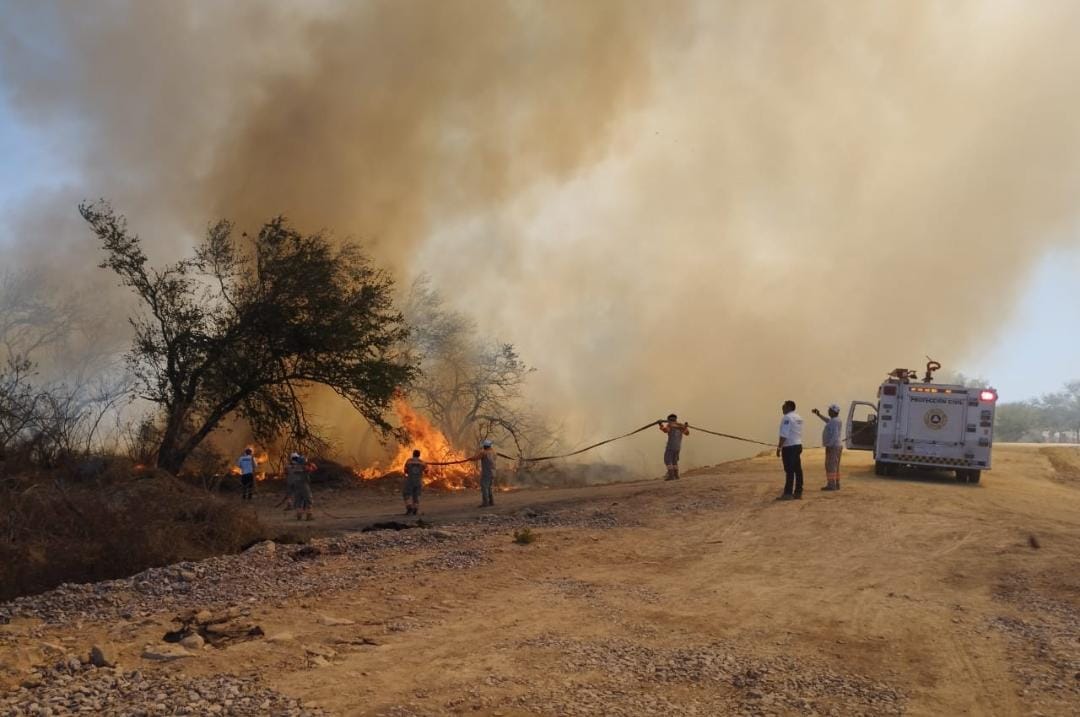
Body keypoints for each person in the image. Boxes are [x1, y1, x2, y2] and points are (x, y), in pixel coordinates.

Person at [776, 400, 804, 500]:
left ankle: (788, 493)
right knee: (798, 470)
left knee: (789, 470)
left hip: (789, 447)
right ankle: (798, 492)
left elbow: (784, 434)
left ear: (789, 407)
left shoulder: (787, 418)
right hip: (797, 445)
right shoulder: (799, 417)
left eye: (784, 406)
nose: (782, 407)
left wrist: (779, 447)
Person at [812, 404, 844, 491]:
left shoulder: (834, 421)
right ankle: (836, 484)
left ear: (834, 411)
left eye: (830, 410)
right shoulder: (835, 420)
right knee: (835, 466)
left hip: (833, 447)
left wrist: (829, 445)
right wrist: (819, 415)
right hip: (836, 446)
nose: (828, 411)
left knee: (830, 466)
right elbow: (827, 420)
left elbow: (835, 435)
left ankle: (831, 485)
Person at [286, 452, 316, 521]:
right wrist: (311, 464)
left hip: (296, 485)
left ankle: (299, 515)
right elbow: (314, 468)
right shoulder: (305, 467)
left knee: (298, 500)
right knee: (309, 499)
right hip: (304, 485)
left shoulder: (292, 467)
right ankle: (309, 515)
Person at [659, 414, 690, 481]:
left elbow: (665, 430)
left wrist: (660, 424)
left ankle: (671, 476)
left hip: (671, 446)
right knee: (674, 461)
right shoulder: (681, 426)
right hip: (678, 447)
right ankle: (676, 475)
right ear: (676, 419)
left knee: (667, 460)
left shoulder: (669, 425)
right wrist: (685, 427)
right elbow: (687, 433)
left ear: (668, 420)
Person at [467, 440, 497, 507]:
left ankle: (485, 503)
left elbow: (476, 458)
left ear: (484, 446)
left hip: (487, 473)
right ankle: (491, 502)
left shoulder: (484, 453)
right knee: (489, 487)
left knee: (484, 487)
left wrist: (470, 458)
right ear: (490, 446)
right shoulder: (494, 452)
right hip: (493, 472)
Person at [402, 449, 426, 515]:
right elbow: (426, 471)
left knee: (406, 494)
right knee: (416, 496)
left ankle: (409, 507)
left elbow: (405, 471)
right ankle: (415, 509)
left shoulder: (408, 461)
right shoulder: (422, 462)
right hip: (418, 481)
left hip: (410, 481)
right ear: (419, 455)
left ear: (413, 454)